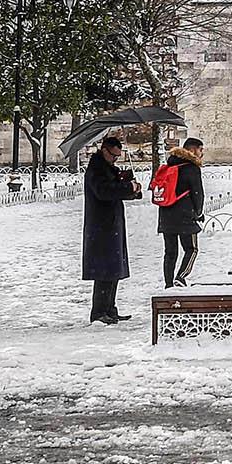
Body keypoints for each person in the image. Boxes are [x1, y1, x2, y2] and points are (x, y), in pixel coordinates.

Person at [82, 135, 141, 324]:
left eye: (118, 156)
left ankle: (110, 308)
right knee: (103, 270)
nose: (115, 159)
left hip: (112, 223)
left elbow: (116, 190)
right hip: (100, 226)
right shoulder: (96, 170)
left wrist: (130, 186)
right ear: (104, 150)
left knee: (113, 269)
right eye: (113, 155)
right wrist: (125, 187)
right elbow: (104, 191)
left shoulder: (108, 169)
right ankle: (99, 312)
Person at [153, 136, 206, 287]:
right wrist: (199, 212)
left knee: (170, 252)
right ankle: (181, 277)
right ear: (192, 150)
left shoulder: (169, 165)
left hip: (166, 215)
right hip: (185, 215)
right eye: (200, 150)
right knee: (192, 249)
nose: (201, 153)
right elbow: (198, 193)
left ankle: (168, 283)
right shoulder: (192, 168)